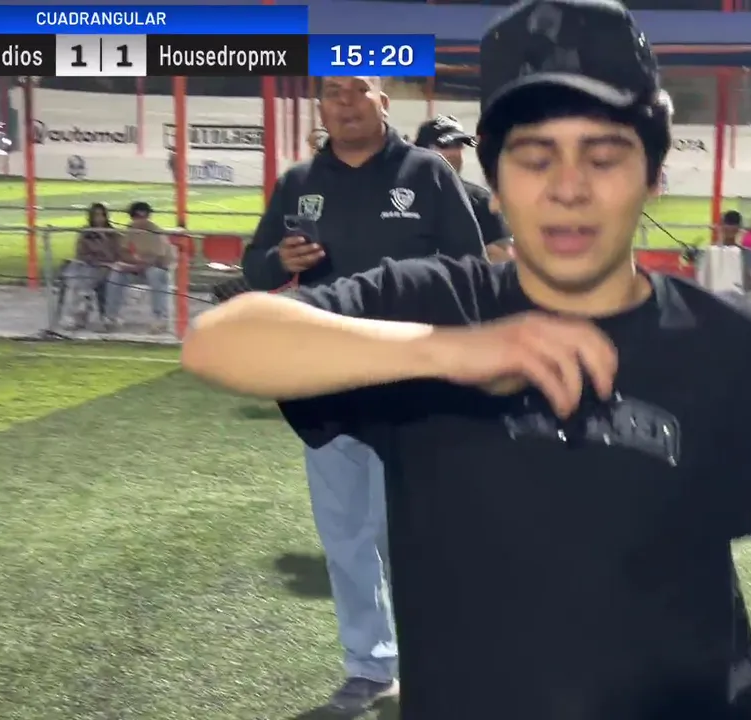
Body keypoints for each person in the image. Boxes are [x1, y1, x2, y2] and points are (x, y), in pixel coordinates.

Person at [185, 2, 751, 719]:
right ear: (495, 179)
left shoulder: (740, 349)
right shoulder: (431, 305)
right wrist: (455, 349)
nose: (568, 188)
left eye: (603, 156)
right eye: (535, 157)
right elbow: (218, 342)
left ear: (654, 174)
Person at [241, 74, 486, 713]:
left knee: (412, 536)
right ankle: (370, 667)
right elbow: (254, 265)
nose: (345, 104)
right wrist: (280, 263)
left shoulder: (427, 173)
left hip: (413, 384)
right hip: (327, 384)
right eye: (333, 95)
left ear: (383, 102)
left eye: (358, 92)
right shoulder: (298, 182)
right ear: (321, 108)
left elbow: (473, 269)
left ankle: (440, 664)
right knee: (346, 535)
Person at [414, 114, 511, 248]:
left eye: (458, 145)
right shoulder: (398, 197)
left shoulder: (480, 201)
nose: (455, 152)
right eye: (446, 145)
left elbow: (502, 251)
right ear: (421, 149)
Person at [106, 201, 172, 333]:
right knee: (116, 275)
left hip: (156, 267)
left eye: (143, 216)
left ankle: (160, 318)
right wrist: (132, 263)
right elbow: (123, 252)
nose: (141, 220)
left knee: (156, 275)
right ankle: (111, 317)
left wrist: (140, 264)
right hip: (137, 268)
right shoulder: (130, 230)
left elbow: (159, 258)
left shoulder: (155, 231)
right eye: (137, 216)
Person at [62, 203, 121, 329]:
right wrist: (93, 259)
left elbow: (115, 254)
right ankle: (78, 313)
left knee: (85, 278)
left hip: (106, 267)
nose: (99, 218)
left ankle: (80, 313)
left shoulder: (113, 234)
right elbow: (81, 253)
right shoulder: (86, 233)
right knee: (78, 276)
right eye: (96, 215)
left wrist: (104, 255)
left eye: (101, 215)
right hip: (88, 265)